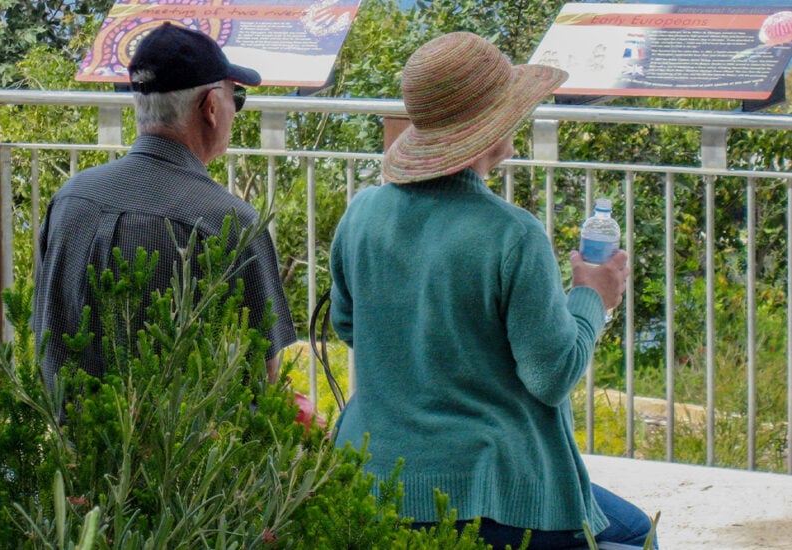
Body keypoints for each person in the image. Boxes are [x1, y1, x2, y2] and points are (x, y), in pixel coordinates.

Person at [329, 32, 655, 549]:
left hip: (375, 474)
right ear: (492, 128)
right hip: (487, 487)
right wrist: (593, 296)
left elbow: (347, 325)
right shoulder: (511, 233)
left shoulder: (362, 212)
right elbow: (551, 374)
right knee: (640, 534)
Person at [33, 22, 296, 389]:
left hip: (70, 441)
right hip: (186, 446)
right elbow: (264, 378)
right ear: (211, 108)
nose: (235, 110)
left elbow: (43, 333)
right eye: (235, 98)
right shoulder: (229, 223)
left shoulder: (69, 200)